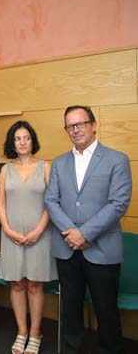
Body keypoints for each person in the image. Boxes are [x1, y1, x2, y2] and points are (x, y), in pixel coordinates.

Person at [44, 105, 132, 354]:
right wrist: (72, 232)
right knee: (70, 308)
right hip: (66, 248)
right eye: (70, 126)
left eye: (80, 123)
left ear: (93, 125)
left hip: (102, 249)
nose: (75, 129)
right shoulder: (60, 163)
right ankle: (72, 349)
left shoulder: (117, 159)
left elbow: (118, 204)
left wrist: (85, 233)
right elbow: (51, 200)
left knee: (106, 309)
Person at [0, 121, 58, 354]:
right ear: (12, 143)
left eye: (26, 138)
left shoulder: (46, 167)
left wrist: (38, 231)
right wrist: (7, 229)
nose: (22, 142)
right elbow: (0, 202)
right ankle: (21, 331)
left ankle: (35, 333)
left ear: (33, 141)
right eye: (17, 139)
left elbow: (52, 203)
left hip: (39, 235)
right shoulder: (6, 170)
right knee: (17, 284)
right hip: (11, 235)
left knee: (34, 285)